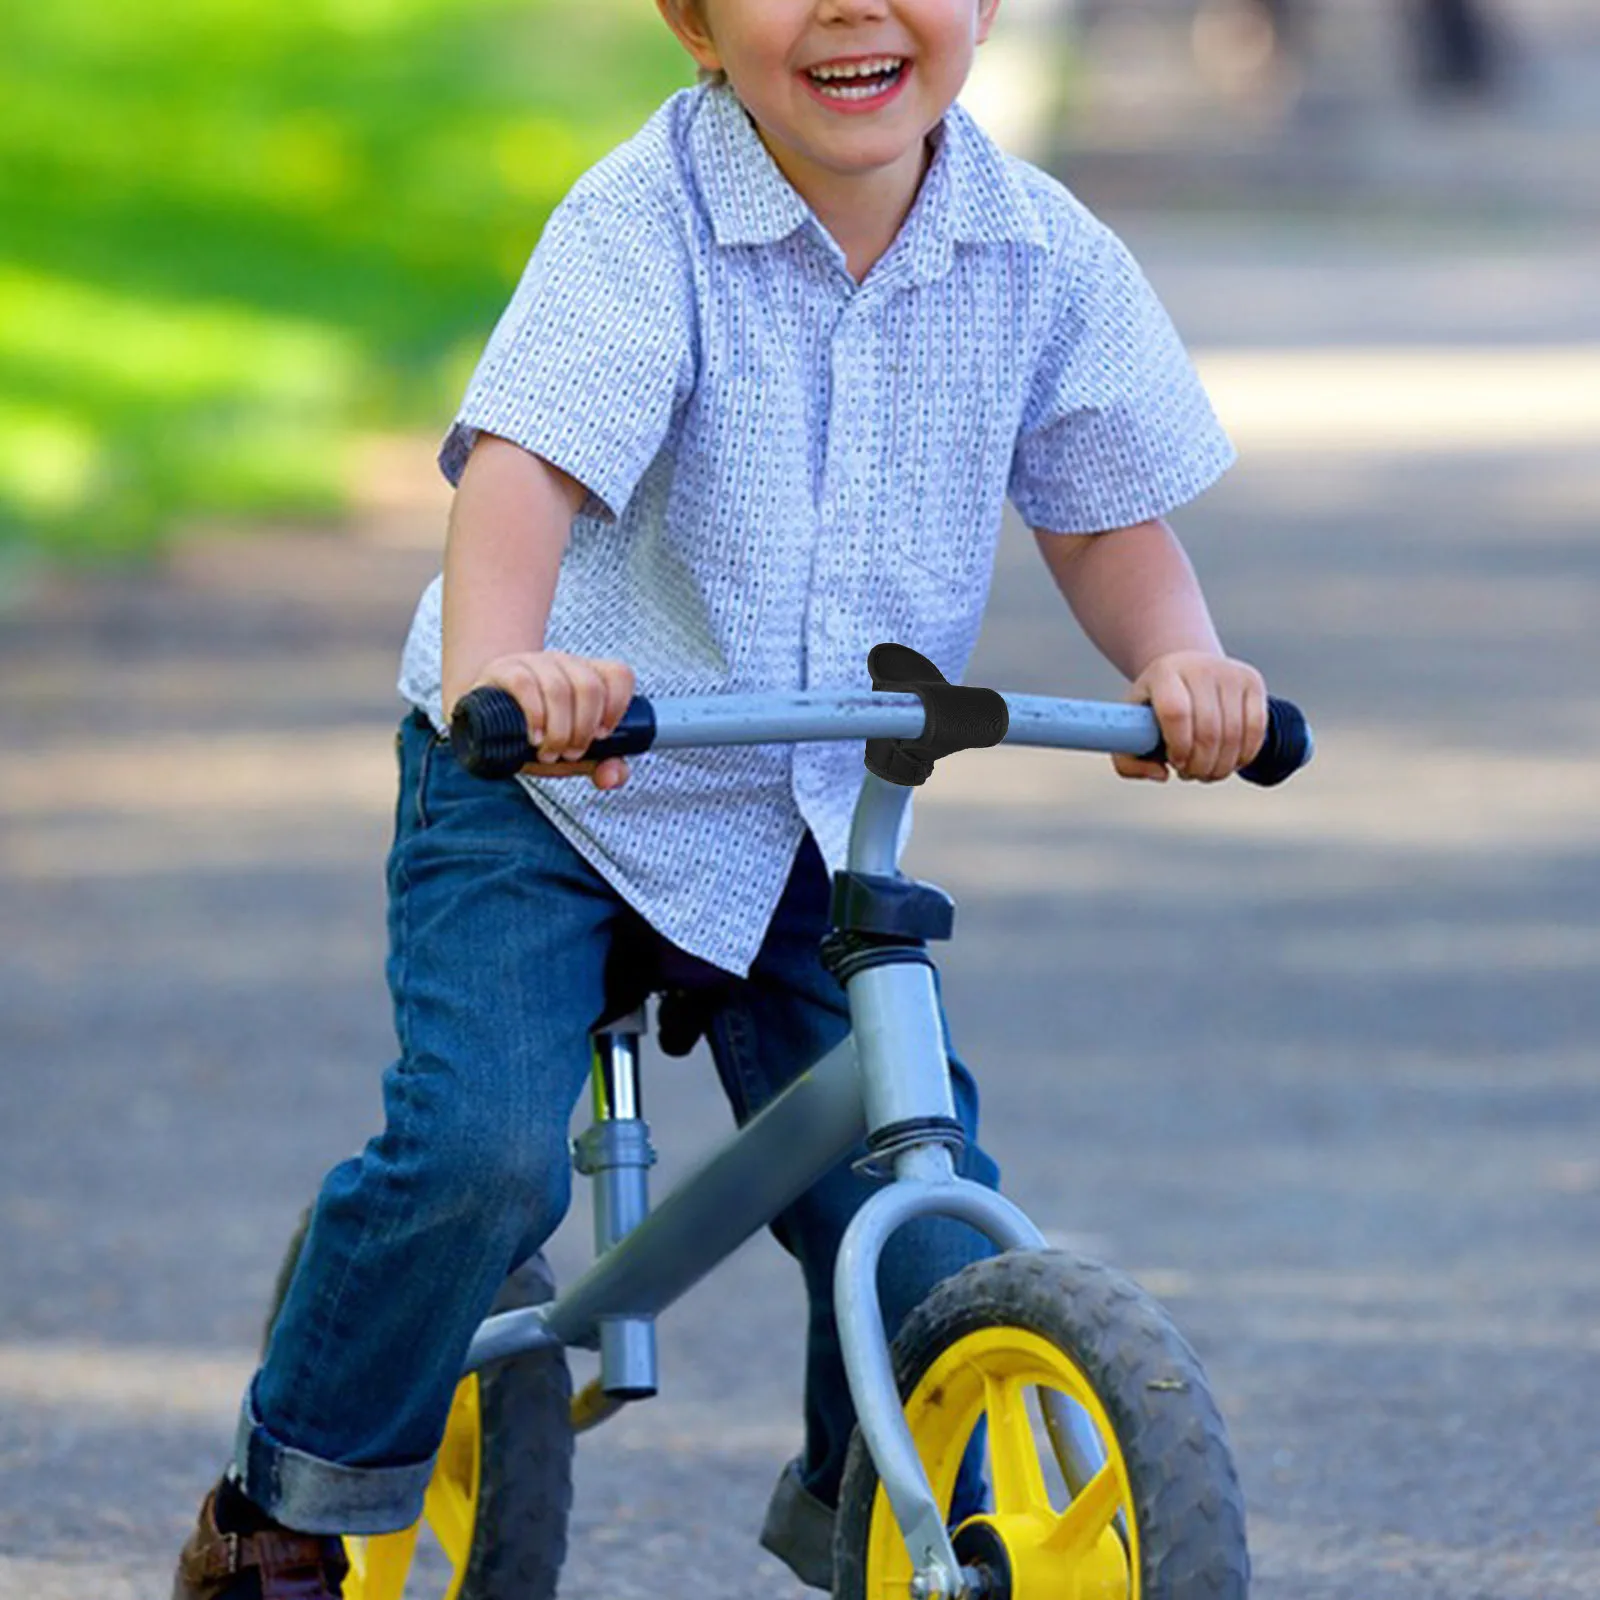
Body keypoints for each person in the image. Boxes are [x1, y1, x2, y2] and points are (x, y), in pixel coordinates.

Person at [173, 0, 1270, 1594]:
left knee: (921, 1204)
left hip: (807, 808)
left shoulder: (1039, 252)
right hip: (560, 787)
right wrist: (505, 671)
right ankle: (285, 1505)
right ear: (690, 20)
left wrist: (1185, 662)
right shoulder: (645, 221)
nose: (850, 9)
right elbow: (524, 468)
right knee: (481, 1158)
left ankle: (891, 1519)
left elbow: (1105, 518)